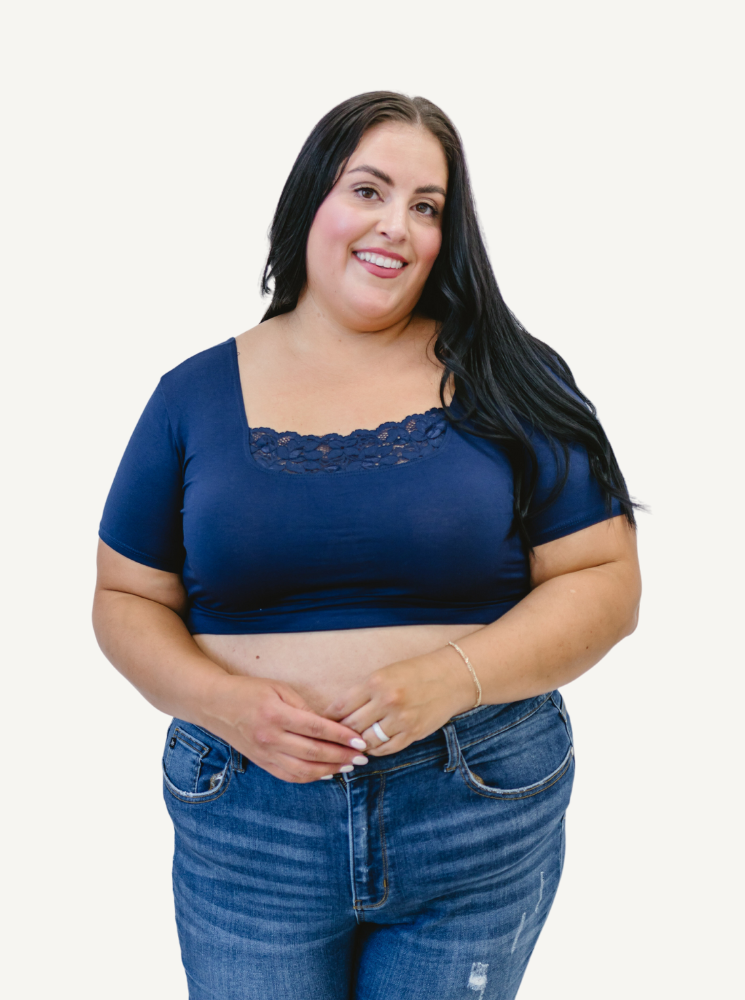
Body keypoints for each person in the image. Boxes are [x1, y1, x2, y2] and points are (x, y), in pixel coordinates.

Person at [93, 91, 641, 999]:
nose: (399, 226)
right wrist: (227, 705)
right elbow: (125, 600)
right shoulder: (190, 396)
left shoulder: (513, 373)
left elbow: (606, 580)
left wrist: (448, 677)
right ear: (312, 199)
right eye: (370, 189)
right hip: (248, 817)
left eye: (428, 206)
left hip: (475, 805)